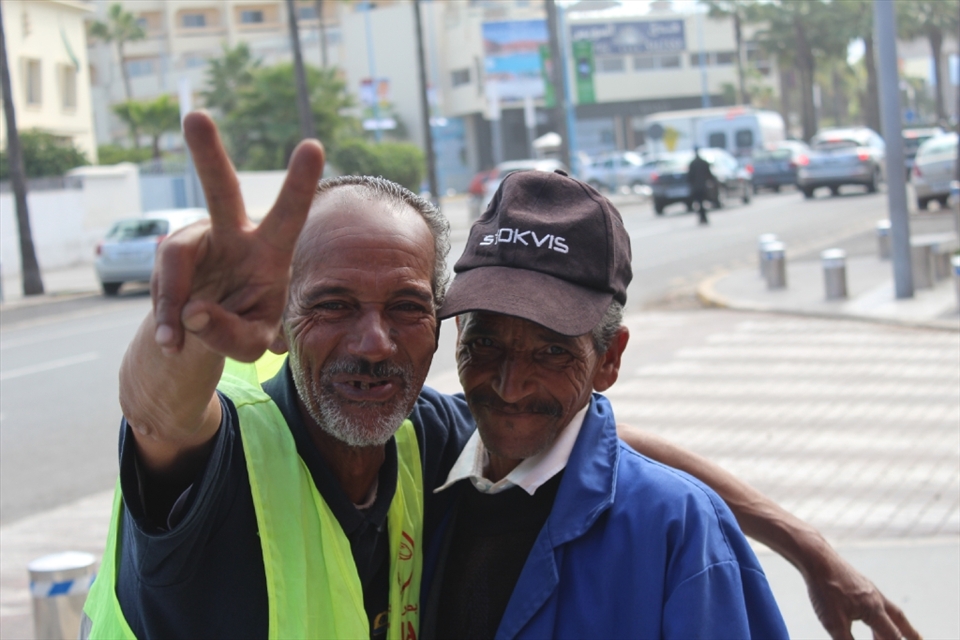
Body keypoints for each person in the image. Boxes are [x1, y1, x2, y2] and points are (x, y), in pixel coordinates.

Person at [82, 112, 918, 640]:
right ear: (283, 309)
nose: (373, 342)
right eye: (331, 304)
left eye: (406, 307)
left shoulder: (427, 439)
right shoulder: (234, 457)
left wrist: (806, 547)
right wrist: (187, 331)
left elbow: (596, 448)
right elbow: (159, 413)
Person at [420, 169, 785, 638]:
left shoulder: (676, 530)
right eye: (486, 343)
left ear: (609, 359)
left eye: (552, 352)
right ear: (458, 335)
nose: (510, 387)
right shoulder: (416, 475)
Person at [688, 146, 715, 225]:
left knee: (699, 203)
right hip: (703, 186)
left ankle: (702, 218)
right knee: (702, 203)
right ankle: (703, 217)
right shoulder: (703, 162)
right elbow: (709, 174)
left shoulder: (693, 164)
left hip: (696, 187)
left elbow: (689, 177)